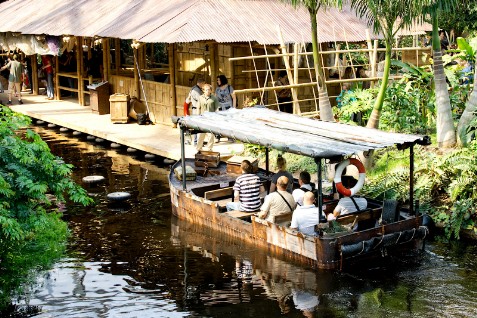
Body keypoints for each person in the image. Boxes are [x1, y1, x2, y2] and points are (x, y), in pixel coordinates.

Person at [196, 84, 219, 151]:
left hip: (211, 119)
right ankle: (199, 148)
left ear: (211, 90)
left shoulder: (214, 98)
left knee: (211, 135)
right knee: (201, 134)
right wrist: (198, 117)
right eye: (206, 89)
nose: (208, 91)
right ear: (203, 90)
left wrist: (216, 118)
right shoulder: (200, 98)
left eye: (209, 89)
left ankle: (209, 148)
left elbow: (217, 109)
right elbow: (198, 108)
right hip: (202, 118)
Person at [215, 74, 235, 142]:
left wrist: (234, 108)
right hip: (220, 107)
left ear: (222, 80)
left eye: (218, 80)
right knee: (220, 122)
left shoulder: (229, 87)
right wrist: (216, 107)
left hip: (228, 107)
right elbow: (216, 98)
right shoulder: (217, 89)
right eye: (217, 80)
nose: (217, 81)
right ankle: (218, 136)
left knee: (229, 122)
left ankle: (230, 137)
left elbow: (234, 98)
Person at [185, 77, 205, 145]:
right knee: (197, 126)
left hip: (197, 109)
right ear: (201, 83)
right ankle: (196, 141)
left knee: (199, 126)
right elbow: (201, 99)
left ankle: (199, 141)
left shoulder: (195, 88)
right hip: (196, 110)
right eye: (204, 84)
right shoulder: (196, 90)